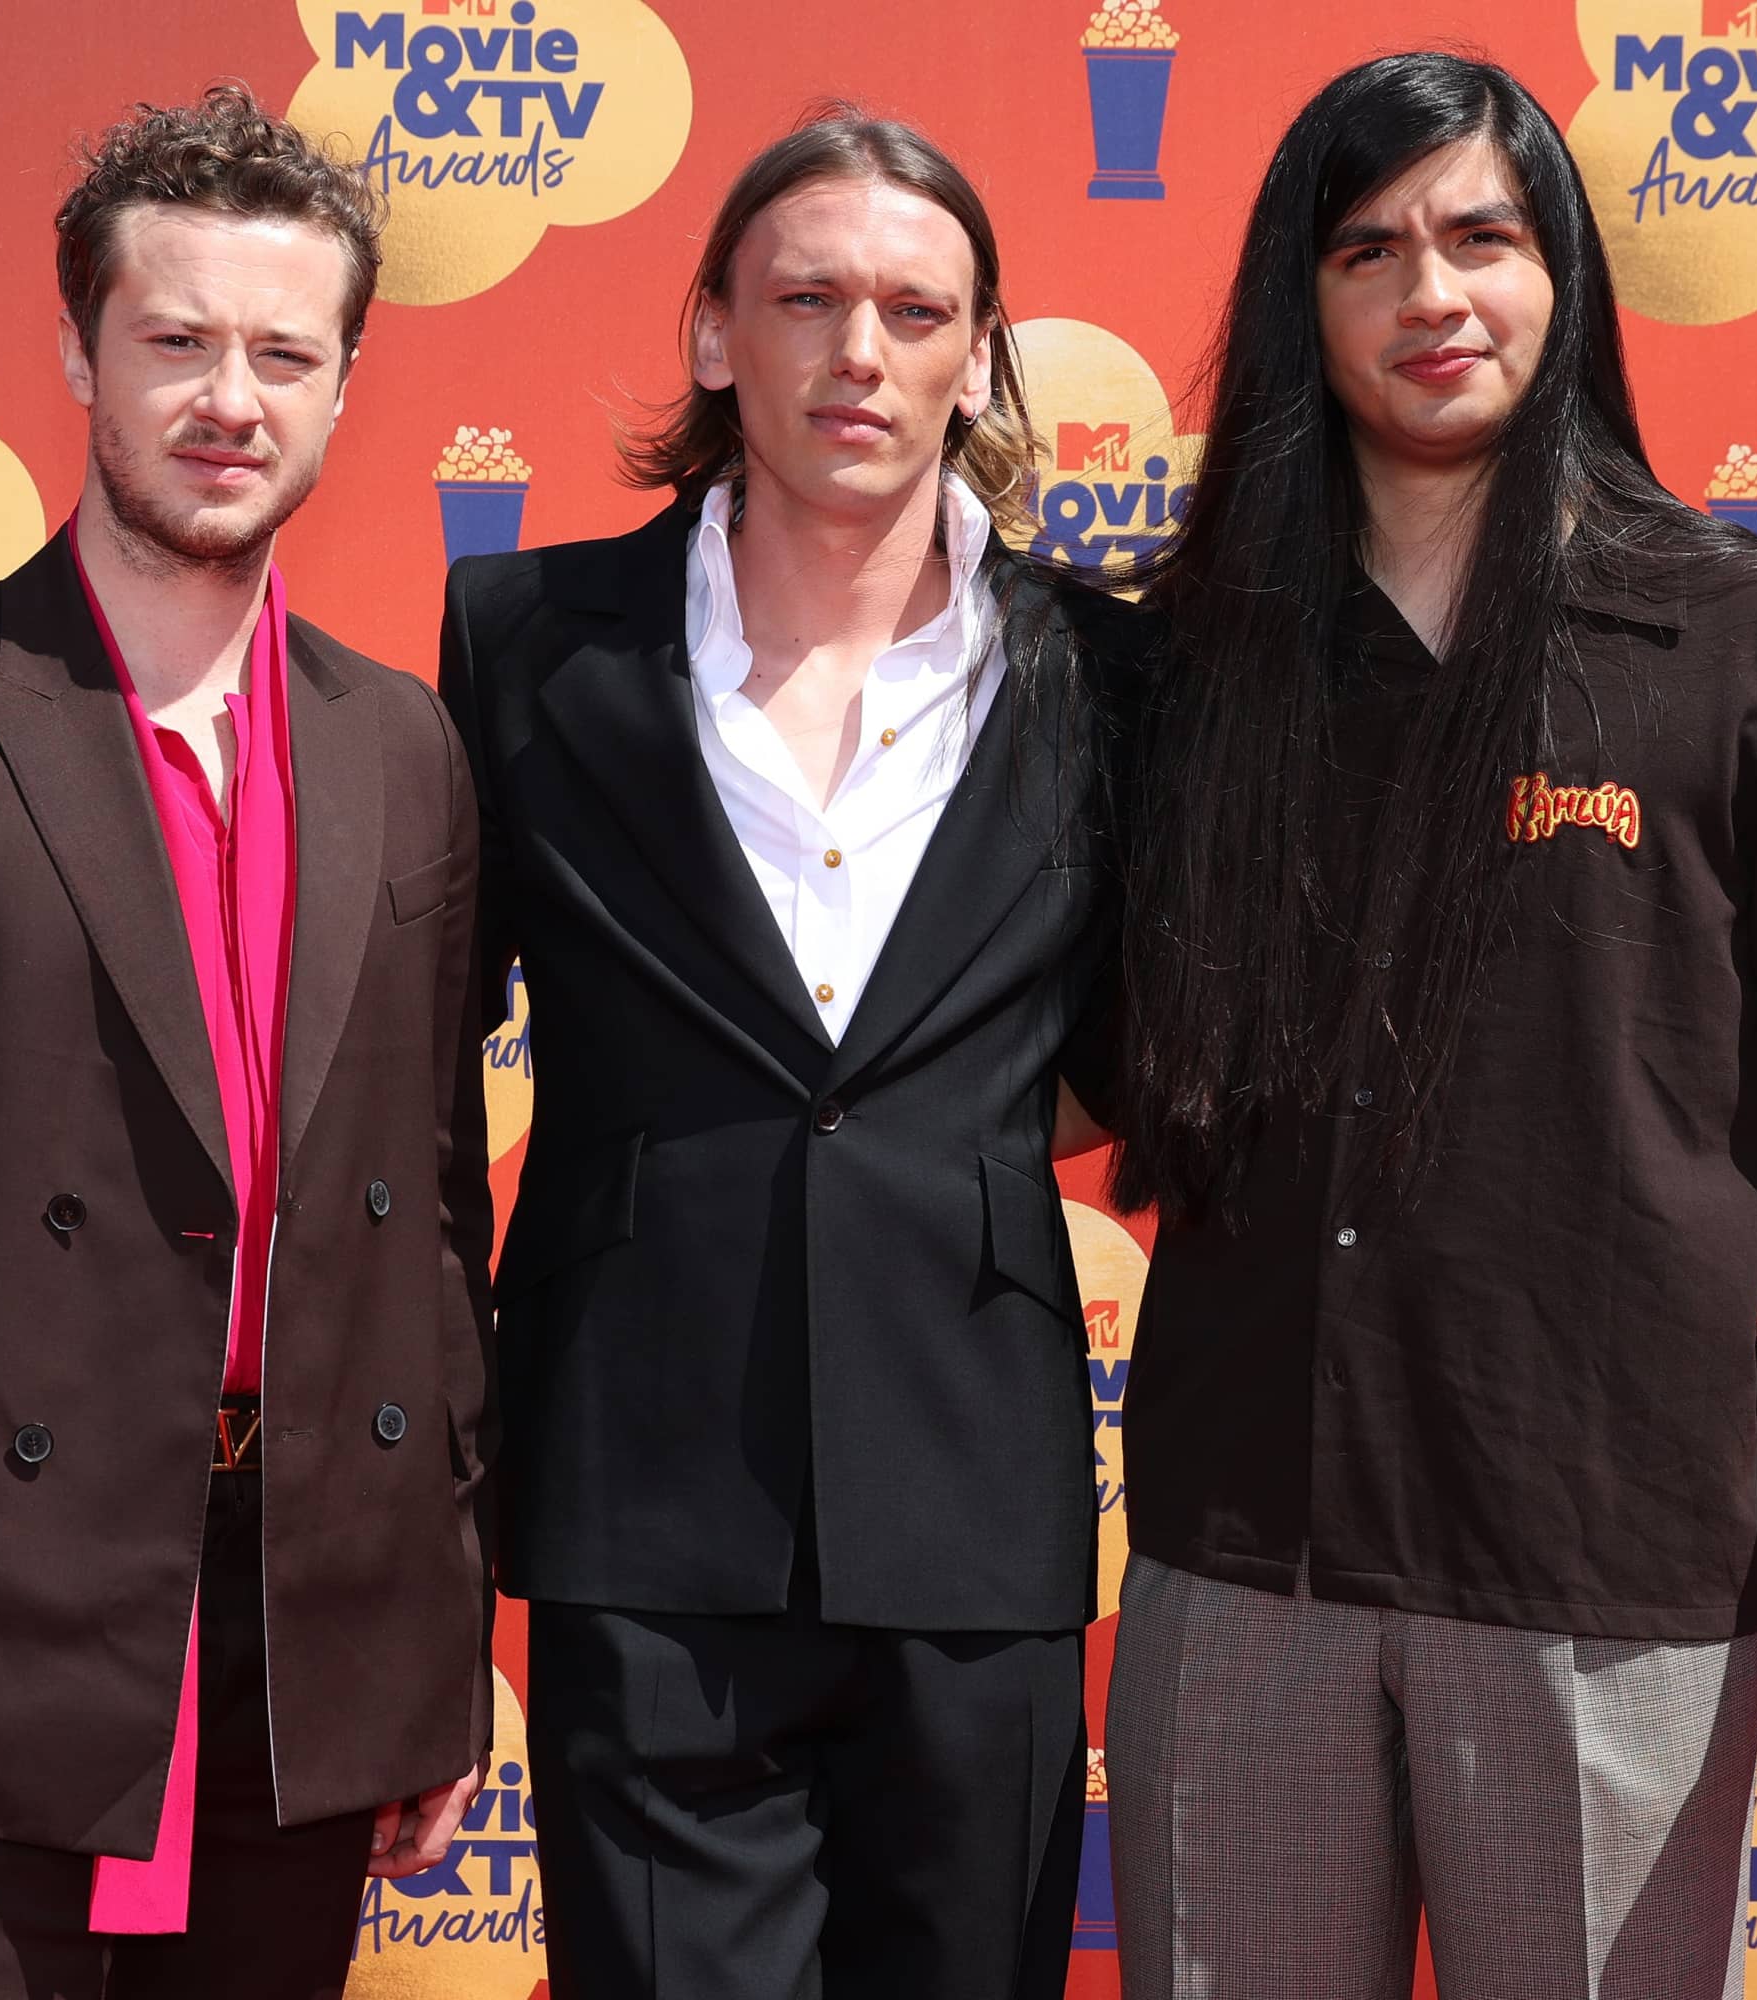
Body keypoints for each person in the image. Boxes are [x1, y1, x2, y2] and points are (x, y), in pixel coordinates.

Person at [1096, 49, 1757, 1999]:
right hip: (1244, 1551)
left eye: (1482, 238)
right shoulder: (1188, 667)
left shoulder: (1733, 638)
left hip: (1604, 1572)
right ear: (1302, 300)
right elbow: (1078, 1075)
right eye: (1370, 250)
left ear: (1561, 272)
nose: (1433, 295)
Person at [0, 85, 496, 1998]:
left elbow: (436, 1228)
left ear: (346, 383)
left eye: (285, 353)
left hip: (299, 1642)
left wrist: (426, 1646)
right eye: (177, 340)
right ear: (77, 351)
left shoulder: (404, 746)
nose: (230, 400)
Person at [439, 108, 1126, 2000]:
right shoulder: (525, 640)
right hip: (640, 1500)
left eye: (918, 310)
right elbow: (420, 1078)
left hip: (975, 1511)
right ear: (714, 331)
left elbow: (1144, 1061)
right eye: (809, 298)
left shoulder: (1109, 676)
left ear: (978, 357)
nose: (860, 351)